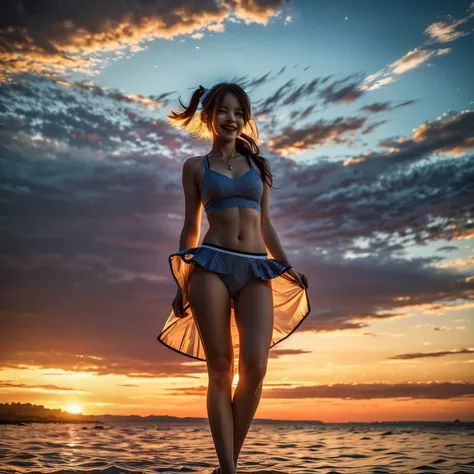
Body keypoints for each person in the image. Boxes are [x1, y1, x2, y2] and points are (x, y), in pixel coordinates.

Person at [157, 81, 311, 474]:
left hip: (256, 265)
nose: (232, 119)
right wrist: (182, 281)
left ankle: (227, 466)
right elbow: (190, 227)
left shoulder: (260, 166)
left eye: (239, 113)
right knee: (221, 368)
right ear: (210, 117)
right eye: (224, 111)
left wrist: (288, 266)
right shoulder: (195, 167)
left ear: (246, 119)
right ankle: (228, 470)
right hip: (210, 264)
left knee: (256, 367)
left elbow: (267, 223)